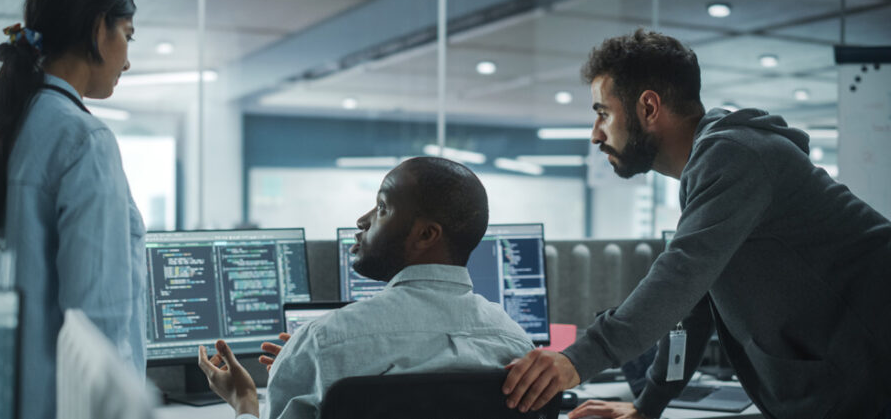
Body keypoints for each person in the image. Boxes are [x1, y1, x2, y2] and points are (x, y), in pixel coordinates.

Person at [502, 29, 891, 418]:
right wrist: (647, 406)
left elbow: (678, 277)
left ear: (649, 108)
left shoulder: (735, 156)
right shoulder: (712, 168)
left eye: (603, 113)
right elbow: (694, 308)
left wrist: (577, 360)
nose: (595, 134)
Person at [198, 157, 535, 419]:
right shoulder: (519, 347)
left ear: (426, 235)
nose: (363, 219)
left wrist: (245, 401)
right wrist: (309, 368)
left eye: (383, 208)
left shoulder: (322, 341)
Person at [0, 0, 144, 418]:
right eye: (128, 36)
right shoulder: (85, 140)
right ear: (99, 30)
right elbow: (96, 327)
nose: (129, 59)